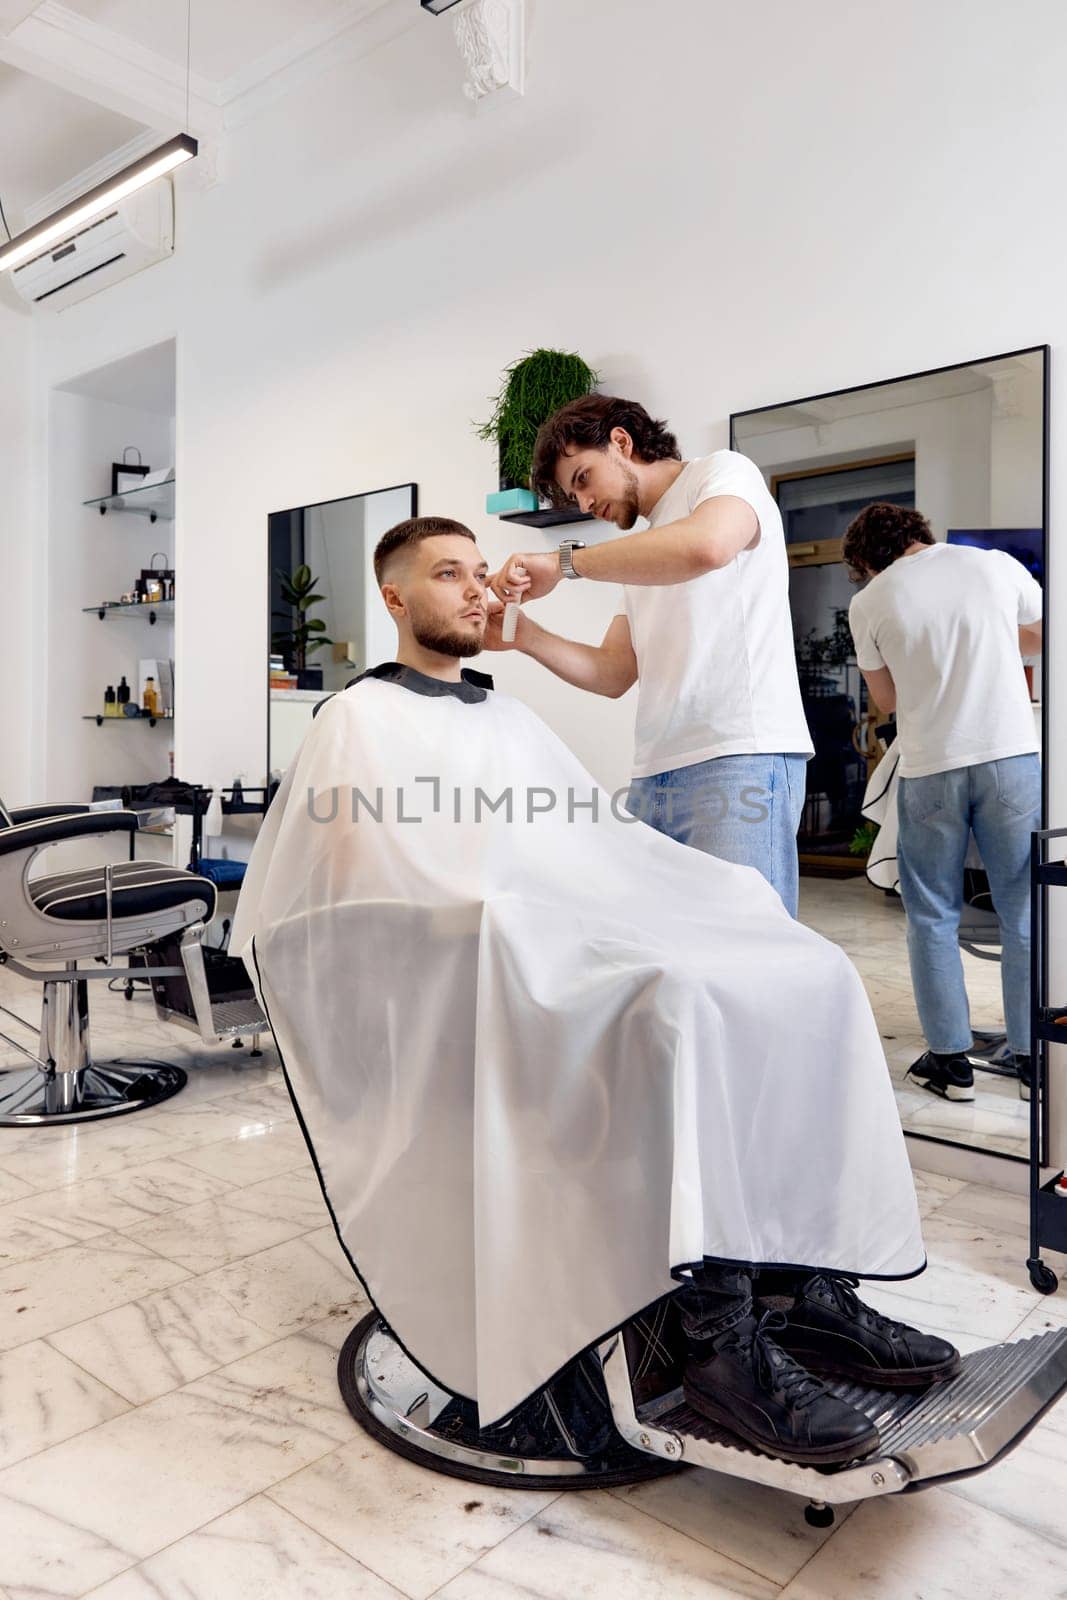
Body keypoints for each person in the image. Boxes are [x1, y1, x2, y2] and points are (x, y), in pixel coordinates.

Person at [232, 515, 958, 1470]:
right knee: (681, 995)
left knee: (801, 968)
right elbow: (353, 893)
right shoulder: (356, 720)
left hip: (554, 935)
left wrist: (669, 898)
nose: (474, 591)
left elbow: (593, 845)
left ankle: (806, 1285)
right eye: (446, 576)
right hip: (470, 965)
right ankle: (715, 1342)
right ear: (395, 598)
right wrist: (501, 914)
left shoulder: (507, 715)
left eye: (479, 575)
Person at [485, 396, 814, 916]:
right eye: (575, 494)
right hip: (654, 774)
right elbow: (613, 673)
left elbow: (708, 546)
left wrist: (564, 563)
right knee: (673, 958)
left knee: (749, 961)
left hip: (738, 755)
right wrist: (525, 636)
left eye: (584, 478)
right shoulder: (646, 552)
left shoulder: (723, 473)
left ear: (621, 441)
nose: (586, 503)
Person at [843, 503, 1043, 1104]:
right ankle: (1034, 1059)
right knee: (1023, 909)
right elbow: (1039, 635)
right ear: (919, 534)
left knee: (931, 913)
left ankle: (952, 1065)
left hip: (932, 767)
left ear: (867, 560)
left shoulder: (870, 602)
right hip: (1011, 757)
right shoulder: (995, 566)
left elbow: (886, 699)